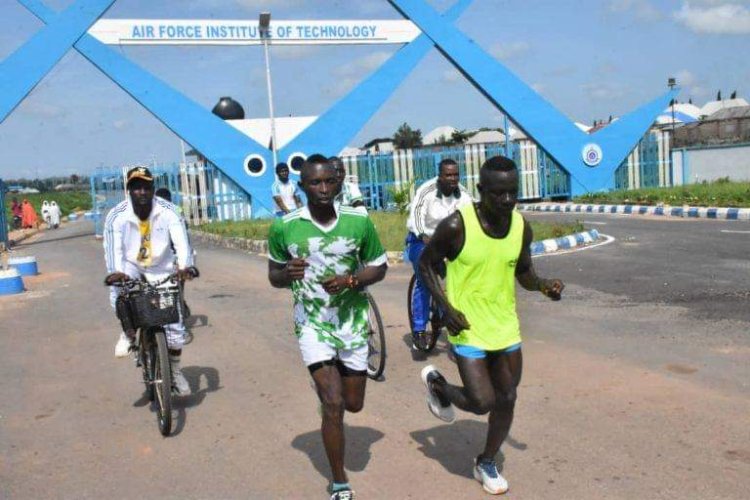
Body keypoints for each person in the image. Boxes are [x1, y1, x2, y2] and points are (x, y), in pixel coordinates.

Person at [417, 155, 564, 495]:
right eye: (498, 193)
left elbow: (523, 271)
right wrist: (446, 307)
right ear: (481, 190)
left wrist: (544, 286)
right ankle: (440, 387)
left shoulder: (520, 227)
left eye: (512, 192)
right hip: (467, 326)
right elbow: (425, 265)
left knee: (508, 397)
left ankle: (486, 460)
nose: (507, 200)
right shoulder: (457, 226)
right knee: (482, 401)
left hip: (505, 326)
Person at [267, 154, 387, 500]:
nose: (322, 189)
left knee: (354, 404)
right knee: (333, 403)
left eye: (328, 182)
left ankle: (330, 396)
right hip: (313, 325)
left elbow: (378, 268)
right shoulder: (285, 226)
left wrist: (351, 279)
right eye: (314, 183)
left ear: (338, 182)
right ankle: (339, 482)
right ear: (301, 186)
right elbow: (274, 276)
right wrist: (285, 274)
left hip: (352, 322)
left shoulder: (358, 222)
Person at [103, 167, 196, 395]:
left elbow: (182, 243)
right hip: (130, 265)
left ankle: (174, 370)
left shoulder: (170, 211)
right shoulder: (117, 216)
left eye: (146, 187)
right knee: (120, 292)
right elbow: (113, 249)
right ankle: (127, 331)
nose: (142, 192)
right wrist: (116, 272)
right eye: (136, 188)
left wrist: (184, 266)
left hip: (161, 265)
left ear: (153, 189)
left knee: (174, 324)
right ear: (129, 191)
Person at [405, 158, 472, 349]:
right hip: (421, 240)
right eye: (448, 175)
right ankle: (419, 329)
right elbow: (416, 219)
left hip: (448, 243)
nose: (453, 179)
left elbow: (473, 216)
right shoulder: (426, 191)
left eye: (456, 175)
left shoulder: (464, 194)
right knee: (426, 279)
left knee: (464, 276)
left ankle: (454, 314)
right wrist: (424, 237)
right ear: (440, 176)